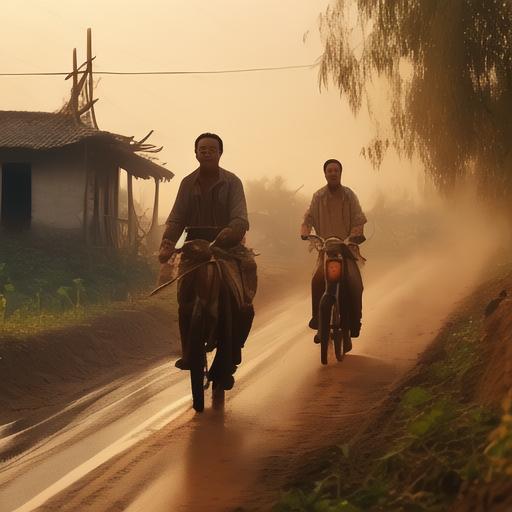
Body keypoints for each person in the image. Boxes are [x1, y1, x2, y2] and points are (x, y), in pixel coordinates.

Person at [158, 133, 255, 388]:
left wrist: (231, 232)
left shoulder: (233, 182)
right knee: (185, 300)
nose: (207, 152)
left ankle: (229, 358)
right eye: (202, 149)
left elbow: (240, 218)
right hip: (194, 247)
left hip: (227, 248)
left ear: (220, 153)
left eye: (212, 149)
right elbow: (177, 218)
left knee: (242, 302)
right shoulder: (187, 183)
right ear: (196, 153)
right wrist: (168, 243)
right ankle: (189, 353)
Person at [300, 158, 366, 341]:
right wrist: (305, 231)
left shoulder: (349, 195)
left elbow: (358, 218)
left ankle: (355, 322)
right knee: (317, 280)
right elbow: (308, 218)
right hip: (326, 250)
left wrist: (355, 234)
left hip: (347, 249)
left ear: (340, 173)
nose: (333, 173)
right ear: (325, 174)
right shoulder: (318, 196)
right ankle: (318, 320)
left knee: (355, 283)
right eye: (329, 170)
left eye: (336, 170)